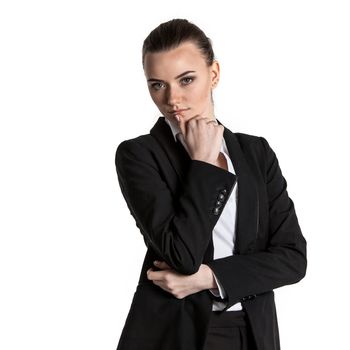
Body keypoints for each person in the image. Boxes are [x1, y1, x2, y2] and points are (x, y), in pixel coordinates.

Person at [114, 18, 307, 350]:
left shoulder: (255, 152)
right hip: (176, 335)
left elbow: (292, 259)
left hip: (253, 332)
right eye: (157, 84)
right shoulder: (139, 155)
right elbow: (182, 255)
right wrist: (203, 164)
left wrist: (210, 278)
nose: (173, 98)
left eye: (186, 79)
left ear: (213, 74)